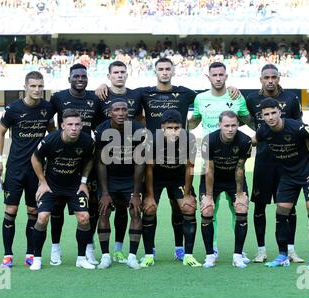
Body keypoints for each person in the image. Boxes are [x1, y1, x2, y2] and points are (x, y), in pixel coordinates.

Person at [96, 57, 241, 261]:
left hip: (178, 158)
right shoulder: (144, 93)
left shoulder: (184, 93)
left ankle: (180, 248)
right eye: (160, 69)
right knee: (149, 207)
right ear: (155, 71)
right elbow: (122, 93)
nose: (164, 72)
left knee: (180, 207)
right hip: (153, 156)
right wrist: (103, 86)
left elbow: (209, 94)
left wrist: (229, 88)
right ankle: (150, 250)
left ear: (173, 71)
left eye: (167, 69)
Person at [252, 98, 309, 270]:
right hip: (288, 177)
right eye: (266, 114)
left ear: (280, 112)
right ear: (262, 116)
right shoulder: (263, 131)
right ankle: (281, 255)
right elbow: (250, 142)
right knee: (281, 214)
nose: (270, 117)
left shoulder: (298, 127)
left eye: (273, 113)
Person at [188, 61, 251, 262]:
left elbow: (248, 118)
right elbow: (194, 121)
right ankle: (212, 250)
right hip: (209, 159)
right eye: (214, 75)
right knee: (209, 208)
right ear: (209, 77)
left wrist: (261, 134)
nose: (218, 78)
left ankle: (239, 252)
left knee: (239, 207)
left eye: (221, 74)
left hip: (232, 160)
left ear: (226, 76)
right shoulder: (200, 98)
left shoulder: (236, 96)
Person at [0, 71, 55, 268]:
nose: (37, 90)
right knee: (11, 210)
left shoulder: (47, 108)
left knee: (33, 211)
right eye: (33, 86)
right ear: (25, 87)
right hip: (15, 168)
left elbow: (52, 132)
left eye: (40, 86)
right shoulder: (13, 109)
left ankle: (30, 253)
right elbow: (1, 132)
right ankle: (8, 254)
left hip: (36, 170)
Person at [245, 64, 304, 263]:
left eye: (273, 77)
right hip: (263, 161)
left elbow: (299, 127)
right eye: (266, 77)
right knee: (260, 206)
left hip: (288, 163)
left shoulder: (291, 99)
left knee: (289, 207)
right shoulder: (252, 99)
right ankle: (261, 250)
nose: (270, 80)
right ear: (260, 79)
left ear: (279, 77)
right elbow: (247, 119)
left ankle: (290, 249)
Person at [29, 109, 96, 271]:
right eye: (70, 125)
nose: (74, 128)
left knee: (84, 218)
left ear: (81, 126)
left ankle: (81, 258)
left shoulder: (87, 142)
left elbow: (89, 160)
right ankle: (37, 258)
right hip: (52, 187)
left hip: (74, 187)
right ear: (62, 126)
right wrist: (43, 182)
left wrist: (83, 182)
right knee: (43, 217)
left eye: (77, 124)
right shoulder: (50, 140)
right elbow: (35, 158)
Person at [49, 63, 101, 266]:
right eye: (76, 76)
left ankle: (88, 247)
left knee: (91, 205)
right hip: (62, 158)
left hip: (86, 158)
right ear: (69, 78)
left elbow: (98, 124)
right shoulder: (58, 98)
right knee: (57, 206)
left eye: (83, 76)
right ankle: (55, 247)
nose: (80, 79)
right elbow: (48, 120)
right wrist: (56, 138)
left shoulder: (94, 99)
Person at [96, 60, 145, 264]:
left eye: (124, 110)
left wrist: (135, 193)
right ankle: (106, 255)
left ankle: (132, 255)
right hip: (109, 178)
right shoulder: (101, 130)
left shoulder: (136, 130)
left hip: (129, 179)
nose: (121, 113)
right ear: (110, 112)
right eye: (117, 110)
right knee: (104, 209)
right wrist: (105, 192)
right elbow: (100, 163)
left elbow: (139, 163)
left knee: (134, 210)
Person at [140, 109, 201, 268]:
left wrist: (187, 194)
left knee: (187, 208)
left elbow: (190, 167)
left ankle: (185, 253)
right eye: (169, 128)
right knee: (149, 209)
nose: (173, 132)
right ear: (162, 128)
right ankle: (149, 254)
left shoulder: (189, 139)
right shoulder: (153, 140)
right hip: (157, 178)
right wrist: (150, 196)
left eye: (177, 128)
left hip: (178, 178)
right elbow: (149, 169)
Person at [200, 111, 252, 268]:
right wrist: (208, 196)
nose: (230, 129)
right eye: (226, 125)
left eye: (233, 125)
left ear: (238, 125)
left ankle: (238, 255)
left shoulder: (245, 140)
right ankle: (210, 254)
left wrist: (240, 194)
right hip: (212, 179)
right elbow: (209, 169)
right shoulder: (209, 140)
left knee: (242, 209)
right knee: (207, 210)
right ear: (219, 125)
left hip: (233, 178)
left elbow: (240, 168)